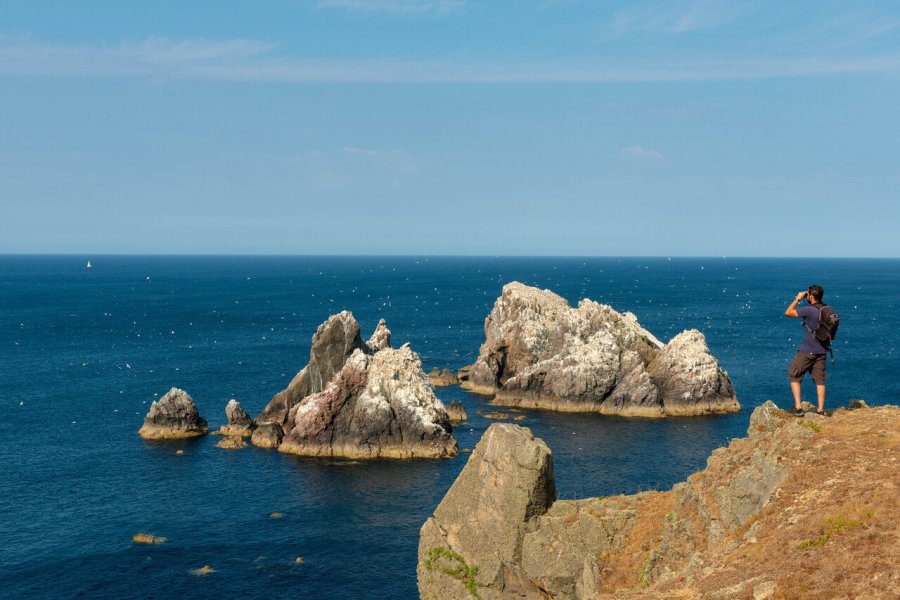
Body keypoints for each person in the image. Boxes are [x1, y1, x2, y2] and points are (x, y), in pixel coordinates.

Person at [784, 284, 829, 416]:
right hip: (822, 351)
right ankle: (820, 410)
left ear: (811, 296)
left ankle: (798, 408)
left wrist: (798, 299)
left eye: (808, 295)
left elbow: (788, 312)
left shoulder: (809, 310)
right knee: (820, 380)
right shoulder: (826, 309)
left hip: (807, 351)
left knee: (794, 373)